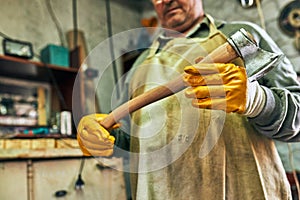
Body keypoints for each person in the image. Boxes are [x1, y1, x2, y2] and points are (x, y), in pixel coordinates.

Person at [77, 0, 300, 199]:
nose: (166, 1)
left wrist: (258, 101)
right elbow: (133, 142)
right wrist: (106, 138)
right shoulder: (139, 65)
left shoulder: (245, 34)